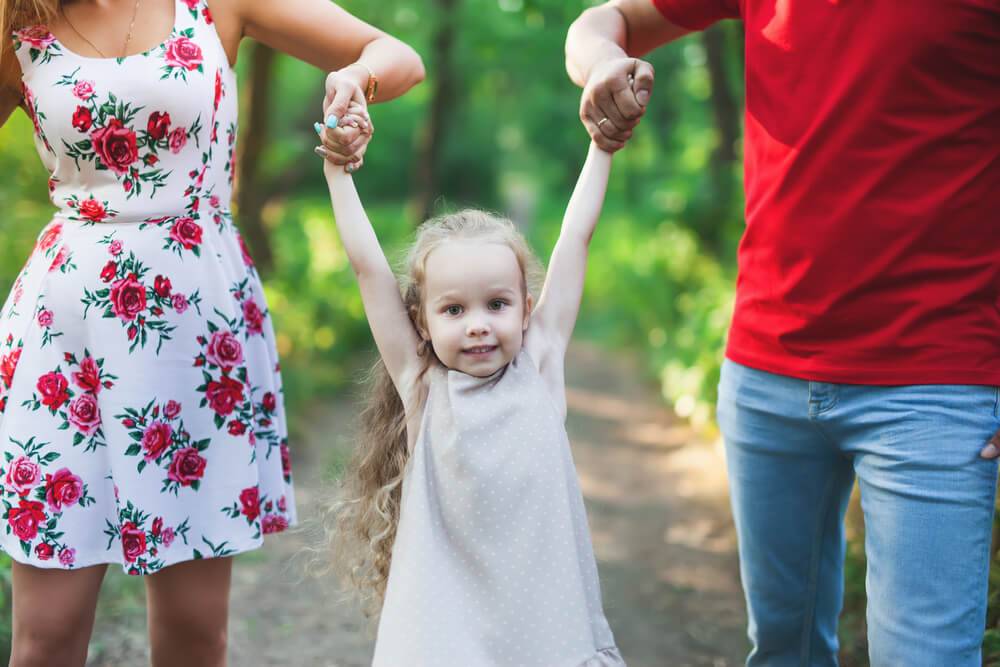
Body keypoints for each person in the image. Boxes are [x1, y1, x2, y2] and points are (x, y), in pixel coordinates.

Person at [565, 1, 1000, 666]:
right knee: (782, 651)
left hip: (936, 383)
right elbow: (602, 20)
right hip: (766, 372)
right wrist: (601, 66)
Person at [0, 0, 423, 664]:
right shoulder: (17, 18)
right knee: (46, 634)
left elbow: (399, 57)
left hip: (193, 336)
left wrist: (356, 81)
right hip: (62, 335)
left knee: (193, 631)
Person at [315, 108, 625, 664]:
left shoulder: (539, 364)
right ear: (421, 323)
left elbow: (575, 240)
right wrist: (339, 172)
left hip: (542, 626)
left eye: (497, 304)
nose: (478, 323)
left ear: (527, 310)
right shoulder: (423, 385)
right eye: (454, 309)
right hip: (449, 630)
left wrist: (601, 148)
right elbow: (367, 268)